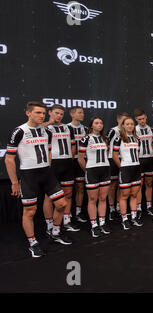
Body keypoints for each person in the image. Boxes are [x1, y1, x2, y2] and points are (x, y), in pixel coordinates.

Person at [5, 102, 71, 258]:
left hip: (46, 173)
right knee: (30, 211)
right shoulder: (19, 131)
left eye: (43, 113)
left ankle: (54, 232)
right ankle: (33, 243)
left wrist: (48, 168)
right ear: (28, 113)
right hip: (28, 176)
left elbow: (48, 152)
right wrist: (14, 182)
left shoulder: (47, 131)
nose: (41, 116)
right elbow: (9, 159)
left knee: (62, 204)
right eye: (38, 113)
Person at [43, 105, 79, 234]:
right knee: (49, 196)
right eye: (56, 113)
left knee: (68, 194)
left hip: (67, 163)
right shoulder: (45, 127)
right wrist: (49, 122)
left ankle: (66, 221)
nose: (59, 116)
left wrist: (70, 159)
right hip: (53, 164)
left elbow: (73, 146)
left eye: (61, 114)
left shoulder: (68, 127)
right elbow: (35, 130)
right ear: (50, 112)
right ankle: (49, 224)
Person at [78, 117, 111, 237]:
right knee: (92, 199)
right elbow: (80, 158)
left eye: (101, 123)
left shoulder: (105, 138)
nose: (100, 125)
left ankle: (102, 223)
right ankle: (94, 225)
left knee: (103, 198)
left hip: (105, 170)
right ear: (91, 125)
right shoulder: (86, 138)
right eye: (96, 123)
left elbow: (107, 154)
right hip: (92, 171)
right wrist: (88, 170)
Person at [112, 117, 143, 229]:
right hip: (125, 169)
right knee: (124, 195)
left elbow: (137, 153)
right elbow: (114, 155)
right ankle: (124, 218)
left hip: (136, 168)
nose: (130, 126)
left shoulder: (137, 138)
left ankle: (134, 217)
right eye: (127, 124)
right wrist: (122, 167)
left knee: (134, 194)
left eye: (132, 124)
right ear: (123, 126)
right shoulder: (118, 138)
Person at [134, 109, 153, 217]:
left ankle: (148, 206)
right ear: (136, 119)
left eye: (143, 118)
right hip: (139, 160)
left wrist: (150, 153)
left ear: (146, 117)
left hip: (150, 159)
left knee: (149, 183)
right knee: (139, 185)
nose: (142, 121)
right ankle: (138, 208)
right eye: (139, 119)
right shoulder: (133, 130)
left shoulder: (152, 130)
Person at [67, 107, 89, 223]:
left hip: (82, 160)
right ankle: (67, 215)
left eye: (83, 113)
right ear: (72, 114)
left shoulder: (85, 129)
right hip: (69, 161)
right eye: (79, 112)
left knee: (81, 188)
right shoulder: (66, 128)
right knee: (68, 191)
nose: (82, 114)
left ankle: (78, 212)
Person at [107, 112, 129, 221]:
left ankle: (119, 207)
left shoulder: (129, 133)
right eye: (123, 120)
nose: (125, 123)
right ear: (118, 120)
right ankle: (111, 209)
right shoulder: (113, 131)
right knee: (113, 184)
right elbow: (105, 143)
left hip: (125, 159)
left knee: (122, 185)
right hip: (113, 159)